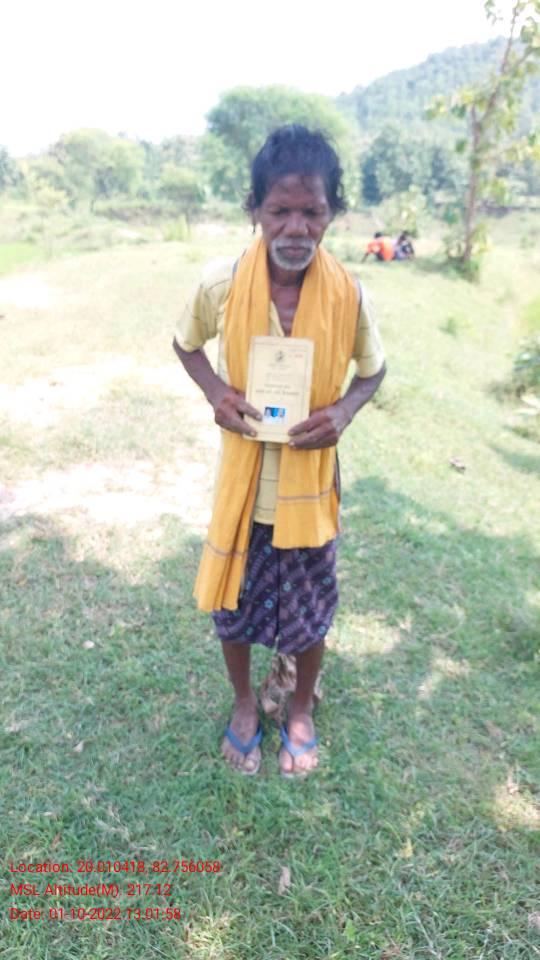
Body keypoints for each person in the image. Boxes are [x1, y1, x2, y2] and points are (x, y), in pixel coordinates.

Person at [173, 125, 386, 778]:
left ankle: (298, 711)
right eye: (280, 211)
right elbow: (186, 344)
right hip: (244, 491)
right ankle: (244, 704)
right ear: (256, 211)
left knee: (311, 612)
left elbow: (373, 370)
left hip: (309, 490)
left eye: (312, 211)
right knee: (232, 609)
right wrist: (216, 393)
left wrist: (343, 412)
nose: (296, 228)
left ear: (332, 212)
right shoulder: (221, 284)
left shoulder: (347, 293)